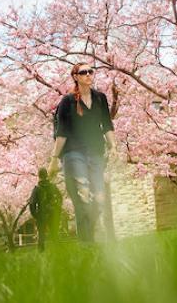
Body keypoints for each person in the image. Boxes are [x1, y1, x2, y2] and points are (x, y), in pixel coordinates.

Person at [48, 62, 117, 242]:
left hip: (95, 152)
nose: (88, 75)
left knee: (99, 198)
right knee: (83, 195)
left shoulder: (100, 98)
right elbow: (61, 132)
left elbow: (107, 125)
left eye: (90, 71)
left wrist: (114, 146)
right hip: (73, 153)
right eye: (83, 72)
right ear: (76, 77)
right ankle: (87, 245)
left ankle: (90, 238)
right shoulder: (67, 101)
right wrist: (54, 159)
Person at [29, 167, 62, 251]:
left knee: (41, 236)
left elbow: (32, 204)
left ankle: (41, 254)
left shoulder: (36, 189)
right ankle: (59, 255)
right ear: (47, 175)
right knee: (55, 234)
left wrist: (36, 215)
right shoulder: (53, 186)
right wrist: (57, 209)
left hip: (41, 215)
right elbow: (60, 198)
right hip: (53, 213)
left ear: (38, 176)